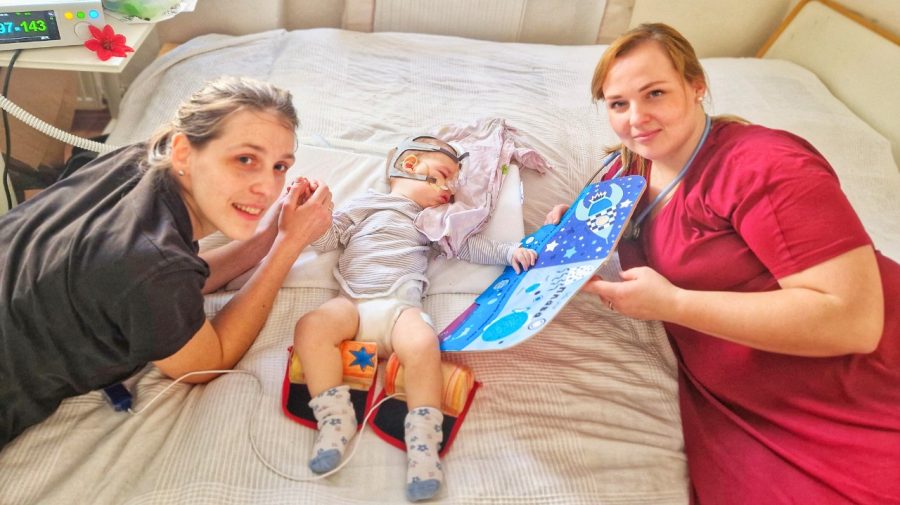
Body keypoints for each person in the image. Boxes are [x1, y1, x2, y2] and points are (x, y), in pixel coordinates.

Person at [545, 23, 899, 504]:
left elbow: (852, 323)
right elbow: (620, 218)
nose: (636, 119)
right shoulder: (630, 166)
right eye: (618, 104)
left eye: (655, 94)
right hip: (745, 389)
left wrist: (672, 304)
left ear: (696, 86)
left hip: (852, 378)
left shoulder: (766, 166)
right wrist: (582, 227)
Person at [0, 76, 334, 451]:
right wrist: (288, 246)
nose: (267, 188)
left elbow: (172, 280)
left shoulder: (135, 161)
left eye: (280, 166)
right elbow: (205, 362)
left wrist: (267, 239)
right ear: (183, 152)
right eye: (245, 159)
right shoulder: (150, 266)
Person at [293, 135, 537, 502]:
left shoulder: (433, 220)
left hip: (399, 308)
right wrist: (314, 211)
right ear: (409, 166)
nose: (450, 189)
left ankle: (423, 440)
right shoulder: (365, 204)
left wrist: (507, 252)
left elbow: (466, 245)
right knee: (310, 326)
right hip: (352, 304)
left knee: (424, 343)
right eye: (443, 175)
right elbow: (327, 240)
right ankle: (334, 416)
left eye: (454, 184)